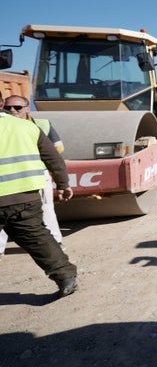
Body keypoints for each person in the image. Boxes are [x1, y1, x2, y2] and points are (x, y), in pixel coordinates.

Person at [0, 92, 78, 297]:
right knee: (38, 238)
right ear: (1, 103)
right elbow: (54, 158)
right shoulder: (27, 126)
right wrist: (63, 184)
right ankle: (65, 277)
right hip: (25, 198)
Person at [1, 95, 65, 257]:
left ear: (27, 109)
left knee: (46, 210)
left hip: (37, 174)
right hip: (9, 179)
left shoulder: (40, 124)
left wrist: (36, 158)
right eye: (8, 108)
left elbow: (58, 149)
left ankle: (56, 242)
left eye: (17, 107)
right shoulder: (5, 126)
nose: (12, 111)